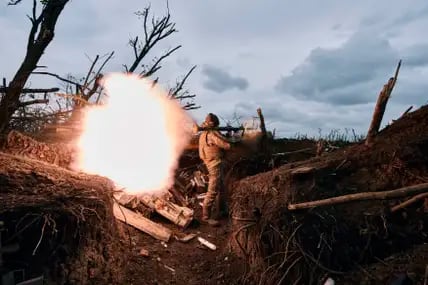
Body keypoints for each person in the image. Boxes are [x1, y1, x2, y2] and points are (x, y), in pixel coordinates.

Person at [198, 113, 233, 226]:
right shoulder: (211, 134)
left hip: (212, 162)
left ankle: (221, 211)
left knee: (222, 188)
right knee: (212, 190)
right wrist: (232, 139)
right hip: (214, 164)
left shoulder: (204, 133)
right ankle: (206, 216)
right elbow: (226, 145)